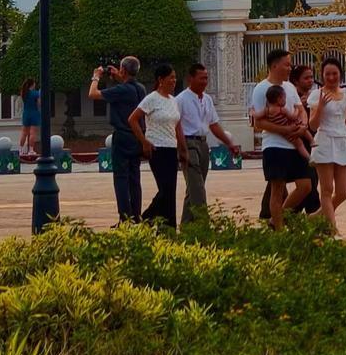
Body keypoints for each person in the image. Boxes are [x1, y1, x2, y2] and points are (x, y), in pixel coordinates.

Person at [250, 49, 313, 230]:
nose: (289, 68)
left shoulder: (290, 87)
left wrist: (303, 125)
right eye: (286, 64)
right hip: (275, 146)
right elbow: (259, 122)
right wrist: (284, 129)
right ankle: (279, 231)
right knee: (277, 189)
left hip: (295, 146)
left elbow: (300, 109)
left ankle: (275, 219)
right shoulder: (261, 88)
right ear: (275, 65)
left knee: (305, 186)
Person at [176, 62, 241, 224]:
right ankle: (203, 224)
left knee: (194, 188)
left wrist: (229, 143)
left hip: (203, 144)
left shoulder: (207, 99)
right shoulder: (180, 100)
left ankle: (187, 225)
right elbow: (175, 126)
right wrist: (182, 149)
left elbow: (213, 125)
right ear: (190, 78)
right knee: (197, 187)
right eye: (201, 78)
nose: (205, 82)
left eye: (206, 78)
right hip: (188, 143)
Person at [130, 62, 187, 230]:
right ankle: (146, 219)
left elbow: (177, 125)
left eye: (175, 78)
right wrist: (144, 141)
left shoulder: (173, 100)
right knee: (164, 190)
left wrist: (182, 148)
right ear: (161, 80)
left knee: (170, 191)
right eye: (171, 78)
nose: (174, 81)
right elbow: (132, 119)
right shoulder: (151, 98)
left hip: (171, 148)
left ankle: (167, 228)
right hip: (157, 149)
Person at [89, 56, 146, 223]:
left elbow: (93, 94)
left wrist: (96, 76)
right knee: (135, 178)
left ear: (123, 70)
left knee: (121, 178)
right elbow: (129, 85)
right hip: (137, 136)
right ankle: (136, 215)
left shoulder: (120, 91)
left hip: (122, 136)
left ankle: (125, 217)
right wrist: (120, 76)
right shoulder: (140, 89)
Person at [309, 57, 346, 233]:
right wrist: (320, 107)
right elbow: (313, 125)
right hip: (324, 140)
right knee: (327, 189)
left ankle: (317, 216)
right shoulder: (317, 95)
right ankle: (332, 229)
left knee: (344, 190)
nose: (331, 77)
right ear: (322, 75)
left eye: (335, 73)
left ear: (340, 74)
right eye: (327, 74)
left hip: (343, 141)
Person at [18, 77, 41, 160]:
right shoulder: (35, 93)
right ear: (32, 84)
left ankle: (20, 150)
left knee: (24, 133)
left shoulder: (24, 93)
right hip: (34, 113)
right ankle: (31, 150)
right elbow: (39, 104)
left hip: (26, 113)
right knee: (32, 133)